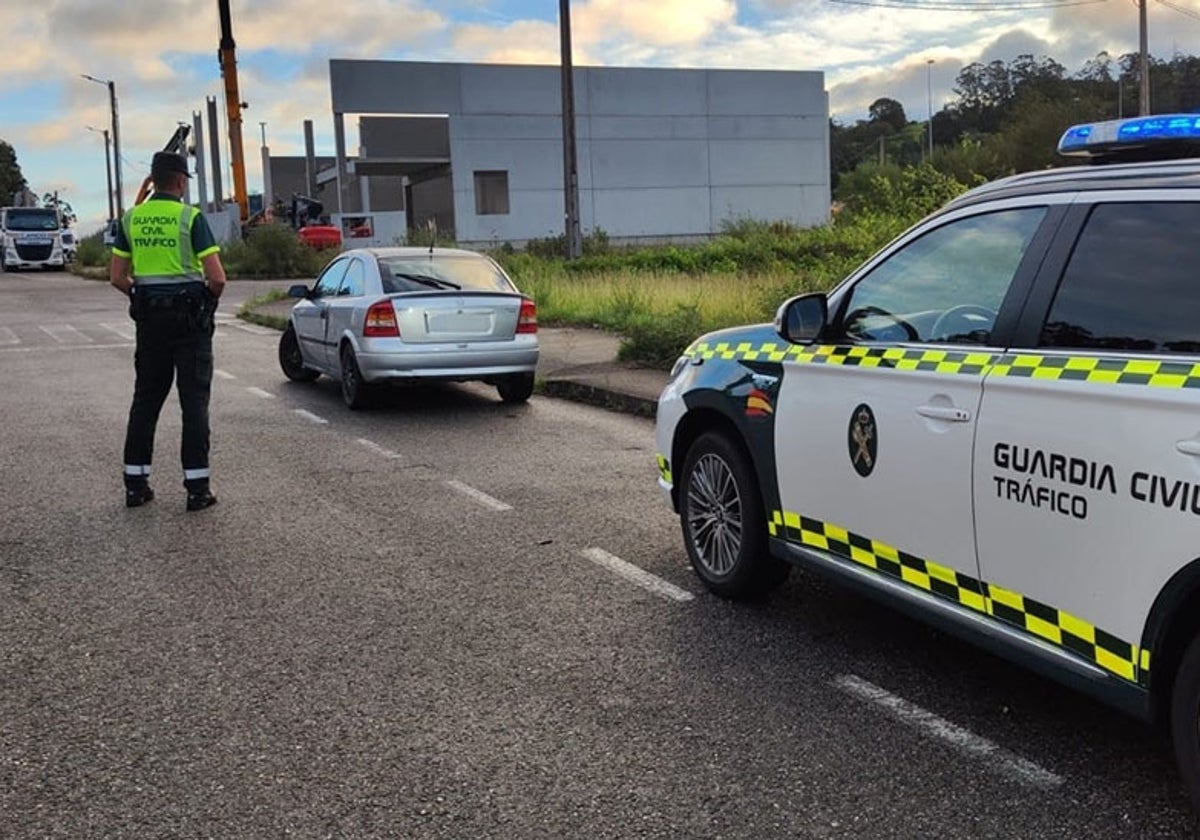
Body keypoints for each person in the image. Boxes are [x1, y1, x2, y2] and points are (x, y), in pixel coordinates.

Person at [110, 151, 226, 512]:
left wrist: (143, 296)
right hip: (189, 323)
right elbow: (217, 277)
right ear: (179, 181)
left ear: (153, 180)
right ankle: (196, 489)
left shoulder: (130, 218)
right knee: (194, 403)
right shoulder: (189, 217)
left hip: (150, 322)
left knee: (145, 400)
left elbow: (116, 276)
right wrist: (204, 301)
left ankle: (135, 484)